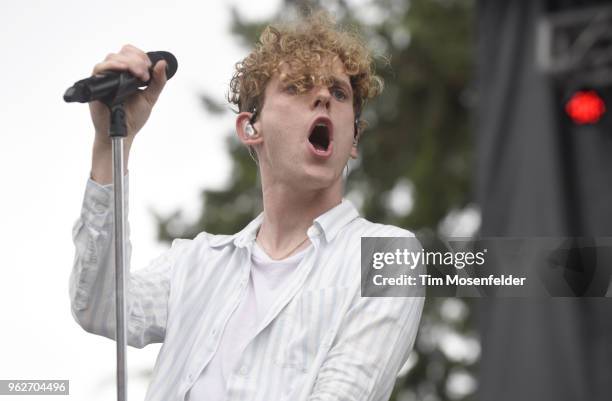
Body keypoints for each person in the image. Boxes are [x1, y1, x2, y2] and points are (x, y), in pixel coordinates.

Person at [69, 11, 424, 401]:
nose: (323, 96)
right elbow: (100, 308)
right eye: (296, 87)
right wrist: (108, 143)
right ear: (250, 128)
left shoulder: (387, 255)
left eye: (339, 93)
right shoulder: (196, 263)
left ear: (353, 139)